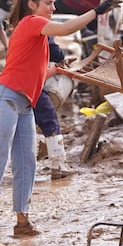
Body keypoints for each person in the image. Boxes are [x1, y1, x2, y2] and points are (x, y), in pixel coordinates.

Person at [0, 0, 122, 243]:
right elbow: (68, 27)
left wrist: (62, 69)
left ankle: (22, 222)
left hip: (24, 103)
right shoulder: (31, 22)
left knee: (27, 161)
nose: (53, 7)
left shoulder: (37, 34)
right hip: (5, 97)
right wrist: (98, 11)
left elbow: (38, 71)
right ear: (32, 5)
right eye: (49, 3)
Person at [35, 36, 72, 179]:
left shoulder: (21, 25)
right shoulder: (39, 26)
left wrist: (56, 68)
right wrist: (59, 62)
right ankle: (58, 165)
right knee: (49, 118)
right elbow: (55, 52)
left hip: (18, 85)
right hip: (31, 85)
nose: (53, 11)